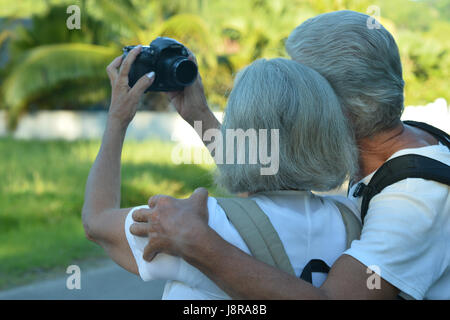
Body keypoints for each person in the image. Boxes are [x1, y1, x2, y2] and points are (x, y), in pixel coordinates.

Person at [130, 10, 450, 299]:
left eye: (302, 85)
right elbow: (267, 172)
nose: (291, 94)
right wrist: (198, 114)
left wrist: (198, 243)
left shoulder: (414, 200)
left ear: (345, 108)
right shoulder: (392, 144)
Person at [82, 50, 361, 298]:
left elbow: (96, 221)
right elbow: (264, 182)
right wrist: (199, 116)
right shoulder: (354, 221)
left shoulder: (198, 224)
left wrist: (117, 120)